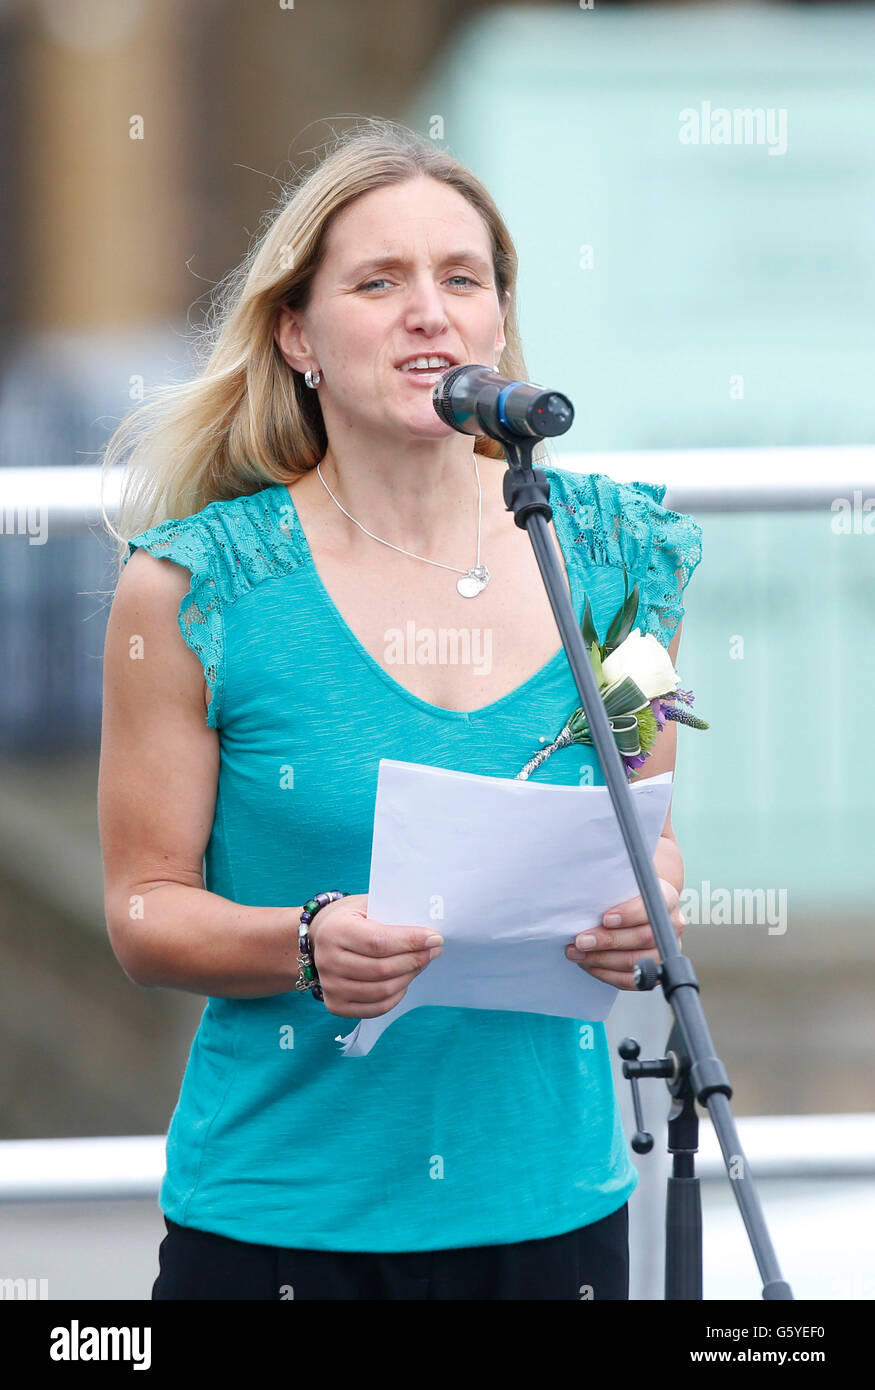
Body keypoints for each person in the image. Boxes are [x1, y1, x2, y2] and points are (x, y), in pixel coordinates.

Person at [98, 118, 702, 1301]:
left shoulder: (619, 559)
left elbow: (649, 822)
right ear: (296, 334)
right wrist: (305, 943)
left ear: (496, 324)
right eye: (378, 281)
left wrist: (651, 908)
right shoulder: (192, 588)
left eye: (459, 279)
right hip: (282, 1231)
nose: (428, 310)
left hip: (550, 1219)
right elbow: (143, 912)